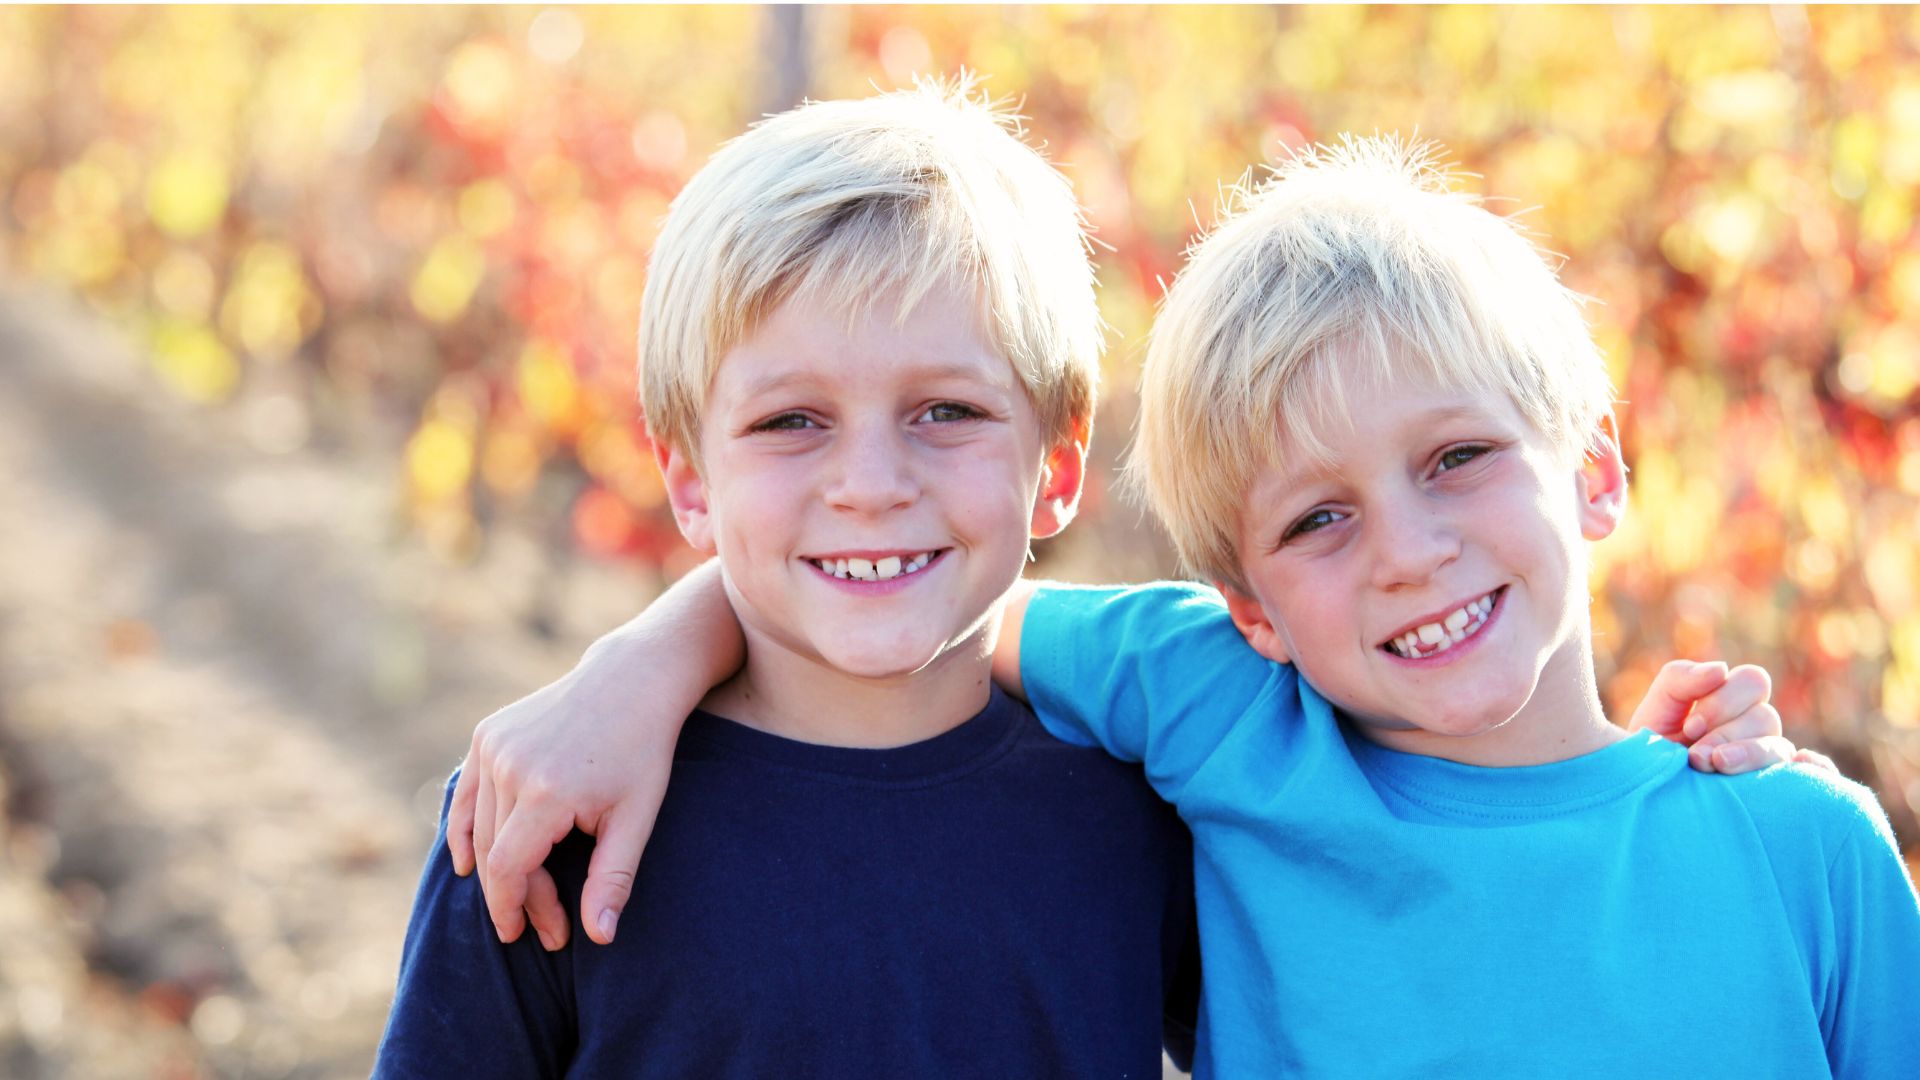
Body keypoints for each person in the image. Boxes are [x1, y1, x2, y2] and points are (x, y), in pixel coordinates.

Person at [444, 133, 1913, 1075]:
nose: (1404, 551)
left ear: (1597, 468)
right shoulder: (1224, 717)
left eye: (1459, 458)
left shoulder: (1798, 855)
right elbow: (936, 611)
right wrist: (640, 665)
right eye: (1318, 519)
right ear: (1250, 603)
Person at [374, 82, 1201, 1078]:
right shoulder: (549, 820)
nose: (869, 486)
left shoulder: (1141, 809)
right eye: (790, 421)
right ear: (688, 481)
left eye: (945, 411)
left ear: (1057, 469)